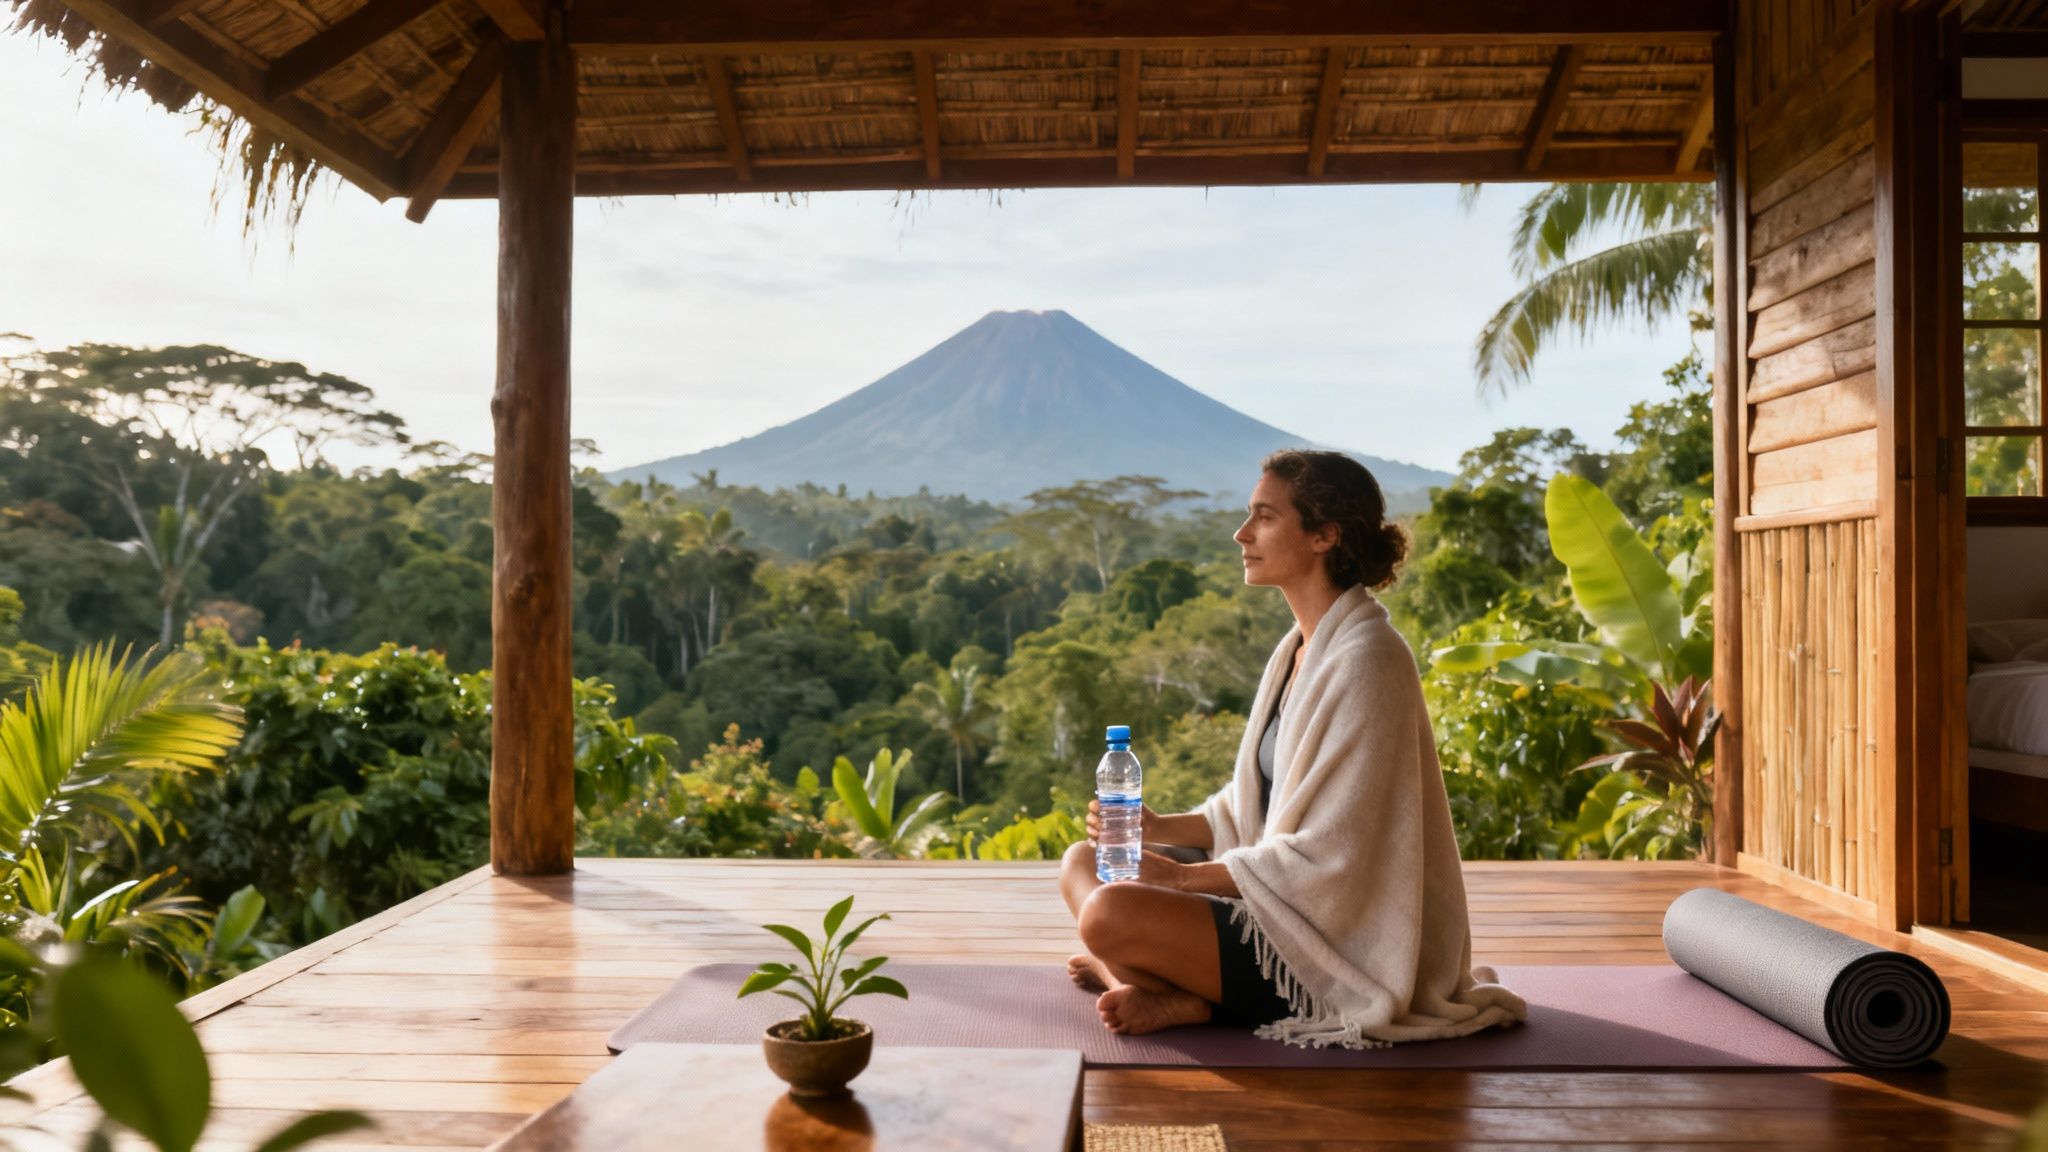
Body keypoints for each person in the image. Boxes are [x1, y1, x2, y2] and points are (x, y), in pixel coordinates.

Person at [1057, 449, 1526, 1046]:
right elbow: (1254, 808)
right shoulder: (1298, 649)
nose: (1242, 533)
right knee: (1080, 861)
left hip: (1328, 941)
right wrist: (1154, 827)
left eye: (1265, 517)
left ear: (1324, 535)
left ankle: (1177, 989)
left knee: (1108, 914)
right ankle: (1175, 991)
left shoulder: (1369, 660)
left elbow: (1332, 854)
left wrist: (1175, 881)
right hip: (1277, 902)